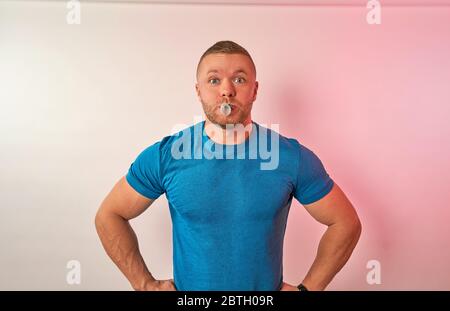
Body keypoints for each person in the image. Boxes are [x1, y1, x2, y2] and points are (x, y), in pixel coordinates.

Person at [95, 40, 362, 291]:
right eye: (214, 80)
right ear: (198, 90)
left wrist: (308, 288)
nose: (227, 90)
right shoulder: (167, 155)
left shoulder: (290, 157)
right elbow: (110, 216)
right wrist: (144, 284)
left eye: (239, 79)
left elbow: (345, 223)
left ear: (254, 90)